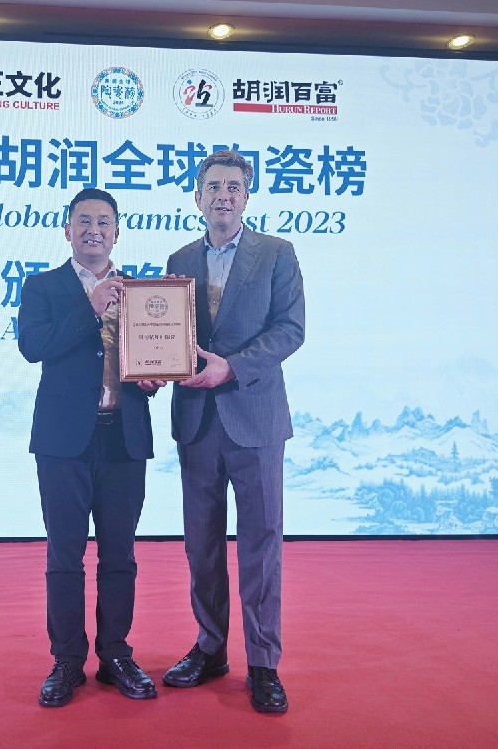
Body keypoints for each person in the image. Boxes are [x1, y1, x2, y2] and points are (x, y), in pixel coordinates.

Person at [161, 150, 305, 714]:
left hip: (256, 418)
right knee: (201, 544)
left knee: (261, 543)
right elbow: (167, 334)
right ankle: (211, 648)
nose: (223, 196)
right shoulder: (179, 259)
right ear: (197, 197)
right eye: (213, 187)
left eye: (234, 187)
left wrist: (233, 366)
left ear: (247, 197)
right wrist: (153, 366)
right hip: (197, 420)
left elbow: (291, 329)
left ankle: (263, 662)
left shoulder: (277, 253)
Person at [18, 187, 159, 708]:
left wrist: (153, 377)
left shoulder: (142, 292)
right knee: (65, 555)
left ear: (117, 232)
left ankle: (116, 654)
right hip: (63, 443)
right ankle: (67, 660)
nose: (93, 229)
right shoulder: (43, 287)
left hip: (124, 437)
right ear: (67, 230)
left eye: (103, 222)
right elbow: (33, 347)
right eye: (84, 221)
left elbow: (152, 355)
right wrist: (90, 306)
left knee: (120, 554)